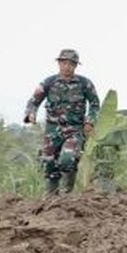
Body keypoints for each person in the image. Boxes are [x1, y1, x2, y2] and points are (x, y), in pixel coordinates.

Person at [24, 48, 101, 195]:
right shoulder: (49, 82)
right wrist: (31, 114)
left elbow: (95, 104)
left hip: (74, 130)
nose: (67, 67)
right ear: (59, 63)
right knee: (50, 164)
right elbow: (33, 101)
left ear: (75, 66)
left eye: (71, 64)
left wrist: (90, 121)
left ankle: (67, 194)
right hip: (52, 130)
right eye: (64, 63)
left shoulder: (85, 84)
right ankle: (52, 198)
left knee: (68, 160)